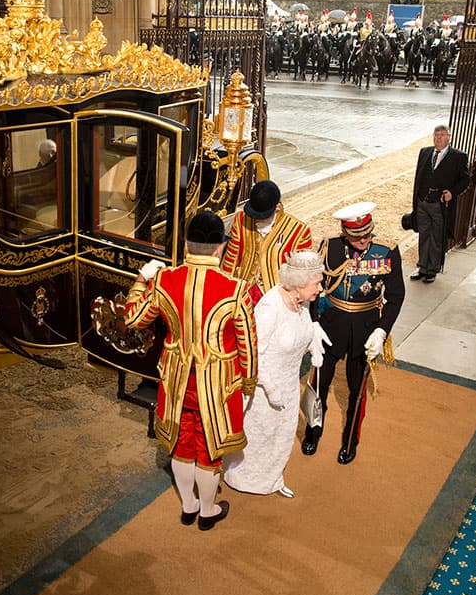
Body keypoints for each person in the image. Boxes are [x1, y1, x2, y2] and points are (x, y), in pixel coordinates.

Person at [125, 210, 257, 531]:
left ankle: (189, 505)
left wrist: (142, 279)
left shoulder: (164, 280)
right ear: (219, 248)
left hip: (176, 380)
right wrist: (249, 382)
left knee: (182, 445)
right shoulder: (236, 289)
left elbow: (132, 318)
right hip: (218, 386)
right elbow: (248, 346)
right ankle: (208, 510)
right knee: (209, 450)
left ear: (186, 243)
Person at [302, 202, 405, 463]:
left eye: (368, 234)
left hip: (366, 327)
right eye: (358, 236)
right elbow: (316, 287)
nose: (364, 240)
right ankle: (313, 431)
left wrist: (382, 331)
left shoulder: (388, 251)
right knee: (318, 383)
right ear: (345, 233)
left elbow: (395, 296)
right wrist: (313, 322)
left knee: (356, 390)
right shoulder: (330, 246)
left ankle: (350, 441)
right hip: (331, 324)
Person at [224, 250, 326, 499]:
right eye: (317, 283)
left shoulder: (303, 300)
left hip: (290, 384)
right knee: (261, 436)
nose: (320, 288)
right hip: (263, 389)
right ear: (300, 284)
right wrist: (269, 387)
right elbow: (252, 353)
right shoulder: (270, 307)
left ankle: (272, 479)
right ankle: (245, 479)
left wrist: (313, 339)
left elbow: (300, 327)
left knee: (282, 435)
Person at [219, 180, 312, 304]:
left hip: (277, 298)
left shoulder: (299, 231)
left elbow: (300, 275)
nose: (256, 218)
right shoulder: (241, 220)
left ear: (277, 207)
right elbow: (231, 257)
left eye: (262, 215)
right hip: (242, 292)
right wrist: (225, 290)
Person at [409, 125, 470, 283]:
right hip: (422, 202)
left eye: (442, 135)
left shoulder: (458, 156)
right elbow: (419, 176)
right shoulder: (425, 152)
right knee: (423, 235)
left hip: (440, 204)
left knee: (437, 237)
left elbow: (465, 180)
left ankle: (432, 270)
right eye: (436, 135)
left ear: (449, 137)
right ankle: (422, 267)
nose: (439, 138)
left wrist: (452, 193)